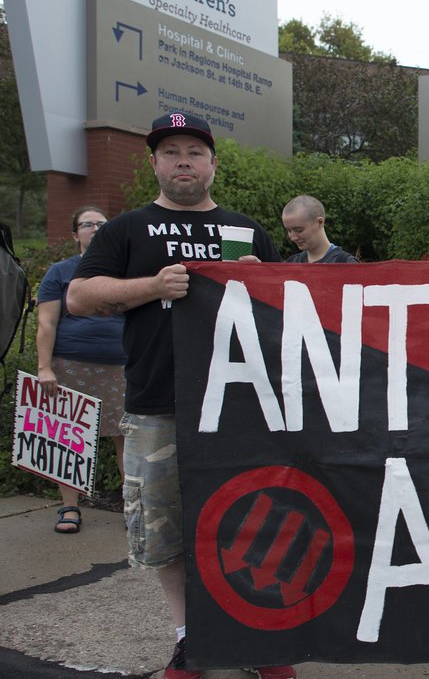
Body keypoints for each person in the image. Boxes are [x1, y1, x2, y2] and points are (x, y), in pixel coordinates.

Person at [66, 112, 290, 679]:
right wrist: (152, 286)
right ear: (154, 164)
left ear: (213, 163)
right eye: (171, 152)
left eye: (194, 150)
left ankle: (259, 639)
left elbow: (294, 317)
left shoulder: (244, 230)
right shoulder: (127, 230)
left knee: (252, 524)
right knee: (164, 530)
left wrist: (267, 284)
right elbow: (79, 297)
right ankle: (190, 638)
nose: (183, 160)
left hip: (242, 410)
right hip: (157, 404)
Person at [36, 206, 127, 534]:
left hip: (121, 366)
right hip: (70, 365)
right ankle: (69, 508)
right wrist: (44, 367)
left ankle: (133, 507)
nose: (95, 229)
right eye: (87, 225)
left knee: (125, 438)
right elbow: (46, 322)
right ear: (75, 234)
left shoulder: (125, 271)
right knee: (69, 438)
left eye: (102, 224)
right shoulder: (60, 272)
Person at [281, 195, 358, 263]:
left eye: (299, 230)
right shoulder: (292, 264)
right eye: (289, 230)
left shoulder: (345, 264)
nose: (293, 237)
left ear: (320, 222)